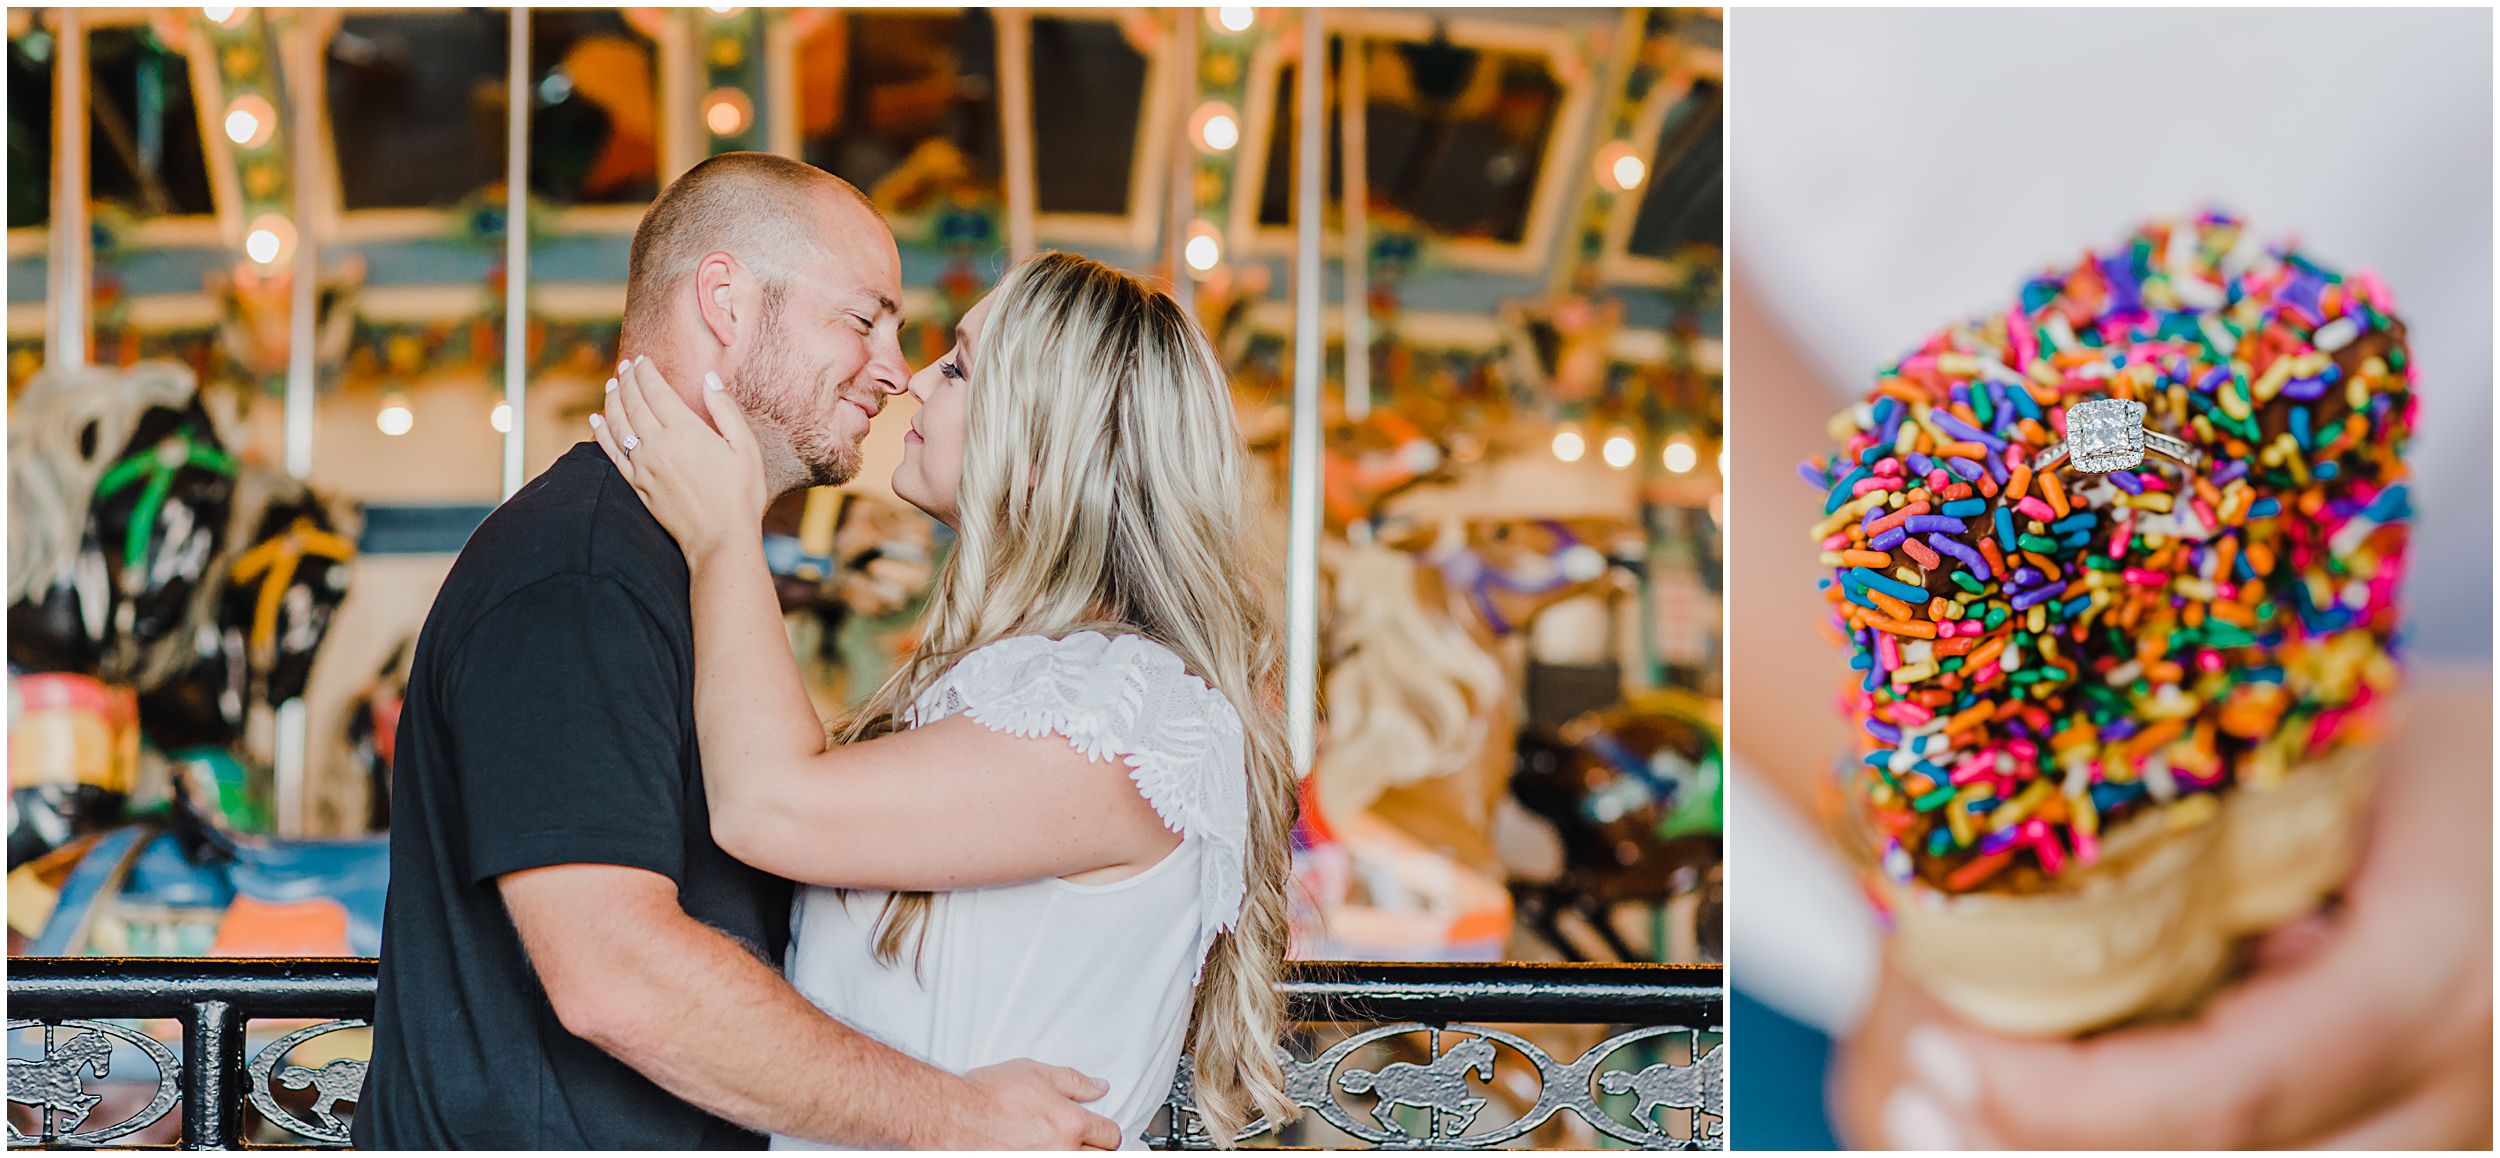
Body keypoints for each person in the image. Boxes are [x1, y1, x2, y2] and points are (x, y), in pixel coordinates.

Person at [1726, 9, 2491, 1147]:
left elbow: (2153, 445)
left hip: (2411, 752)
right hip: (1784, 899)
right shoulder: (2014, 468)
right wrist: (1927, 810)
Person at [356, 153, 1122, 1149]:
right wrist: (958, 1118)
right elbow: (613, 972)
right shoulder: (582, 570)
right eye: (862, 320)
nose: (895, 370)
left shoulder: (677, 568)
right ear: (724, 298)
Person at [586, 249, 1300, 1149]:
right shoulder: (1033, 686)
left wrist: (726, 534)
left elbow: (769, 804)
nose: (916, 379)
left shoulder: (1116, 709)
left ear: (1041, 450)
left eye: (959, 366)